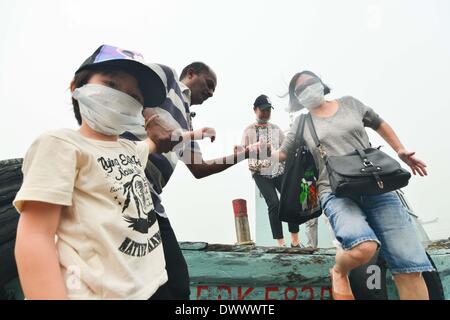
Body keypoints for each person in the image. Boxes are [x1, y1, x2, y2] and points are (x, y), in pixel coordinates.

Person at [12, 45, 208, 299]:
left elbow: (156, 144)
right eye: (111, 85)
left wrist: (193, 135)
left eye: (134, 96)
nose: (122, 98)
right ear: (76, 88)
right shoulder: (59, 144)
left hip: (152, 283)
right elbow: (36, 235)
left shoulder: (128, 148)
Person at [275, 70, 433, 300]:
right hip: (335, 191)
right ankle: (339, 271)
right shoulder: (302, 123)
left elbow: (379, 123)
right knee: (363, 246)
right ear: (296, 98)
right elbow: (282, 154)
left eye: (311, 83)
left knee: (409, 266)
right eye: (300, 89)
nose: (307, 89)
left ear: (321, 83)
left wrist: (400, 150)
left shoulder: (350, 104)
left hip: (376, 186)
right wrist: (253, 151)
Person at [123, 62, 256, 300]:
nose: (211, 93)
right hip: (121, 185)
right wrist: (152, 120)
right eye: (208, 84)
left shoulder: (187, 123)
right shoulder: (168, 79)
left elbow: (199, 168)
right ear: (191, 74)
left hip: (150, 201)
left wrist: (244, 154)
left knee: (177, 285)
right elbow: (126, 82)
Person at [240, 94, 307, 248]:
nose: (266, 113)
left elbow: (287, 148)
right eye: (263, 110)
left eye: (269, 110)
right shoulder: (248, 131)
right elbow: (242, 151)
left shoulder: (276, 129)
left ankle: (295, 241)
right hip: (260, 173)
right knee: (274, 203)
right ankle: (280, 242)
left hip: (278, 170)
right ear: (255, 110)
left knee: (290, 199)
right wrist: (252, 148)